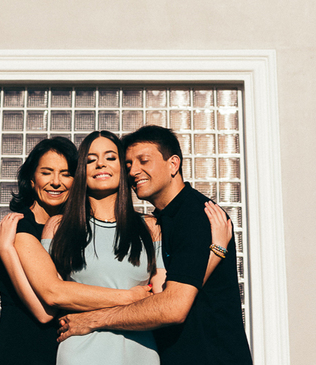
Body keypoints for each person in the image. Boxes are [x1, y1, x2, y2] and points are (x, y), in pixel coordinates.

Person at [56, 125, 253, 365]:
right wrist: (216, 253)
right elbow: (160, 291)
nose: (133, 171)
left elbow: (173, 307)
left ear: (173, 164)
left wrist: (93, 319)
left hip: (211, 355)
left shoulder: (196, 215)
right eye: (128, 164)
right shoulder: (157, 222)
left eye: (143, 161)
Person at [12, 130, 163, 364]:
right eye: (90, 160)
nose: (100, 164)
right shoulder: (57, 227)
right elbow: (53, 294)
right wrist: (132, 298)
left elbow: (164, 298)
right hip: (80, 353)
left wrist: (215, 250)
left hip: (140, 353)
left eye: (110, 157)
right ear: (82, 171)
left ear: (124, 168)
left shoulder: (150, 226)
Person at [0, 136, 77, 365]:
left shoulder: (73, 230)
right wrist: (6, 249)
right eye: (46, 172)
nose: (56, 182)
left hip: (60, 352)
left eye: (66, 173)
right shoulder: (18, 227)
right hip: (18, 350)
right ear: (31, 178)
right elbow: (45, 312)